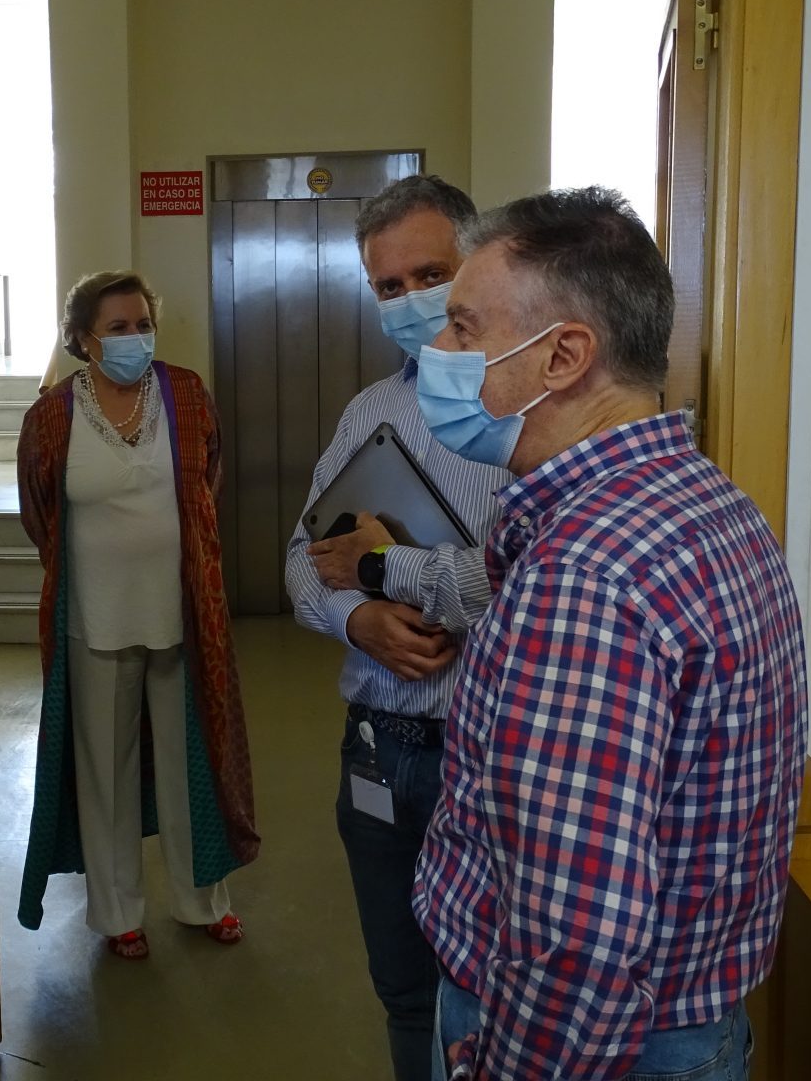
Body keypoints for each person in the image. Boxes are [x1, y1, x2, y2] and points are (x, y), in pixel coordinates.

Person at [412, 187, 808, 1081]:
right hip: (697, 1028)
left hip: (596, 1051)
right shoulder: (711, 503)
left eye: (464, 329)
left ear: (563, 356)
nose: (439, 353)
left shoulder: (586, 577)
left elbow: (573, 938)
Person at [284, 174, 508, 1081]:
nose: (410, 299)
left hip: (485, 751)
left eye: (430, 275)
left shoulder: (529, 412)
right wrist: (360, 618)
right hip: (377, 747)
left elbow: (532, 585)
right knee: (405, 992)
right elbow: (301, 559)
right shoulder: (370, 414)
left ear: (475, 265)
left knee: (488, 996)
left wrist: (386, 568)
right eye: (389, 286)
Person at [16, 270, 259, 958]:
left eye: (143, 325)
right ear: (82, 339)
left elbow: (207, 479)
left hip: (181, 614)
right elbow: (40, 513)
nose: (135, 338)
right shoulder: (53, 416)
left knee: (191, 764)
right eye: (117, 328)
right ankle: (118, 912)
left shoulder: (185, 394)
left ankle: (201, 900)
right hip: (93, 620)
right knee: (106, 771)